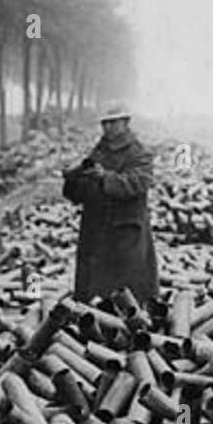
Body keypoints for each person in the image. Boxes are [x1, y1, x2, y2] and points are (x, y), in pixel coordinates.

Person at [63, 104, 159, 305]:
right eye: (104, 123)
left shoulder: (138, 152)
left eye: (112, 122)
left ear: (126, 122)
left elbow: (138, 182)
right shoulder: (99, 151)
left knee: (128, 287)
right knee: (93, 284)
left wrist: (105, 177)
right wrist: (73, 179)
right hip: (96, 226)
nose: (107, 127)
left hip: (125, 228)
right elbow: (83, 190)